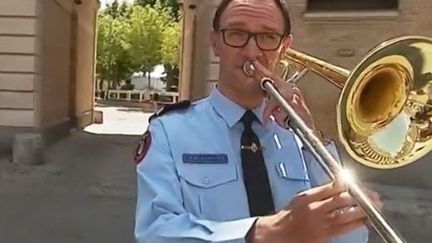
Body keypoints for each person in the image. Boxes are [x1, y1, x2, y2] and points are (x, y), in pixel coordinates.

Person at [134, 0, 382, 242]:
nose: (252, 52)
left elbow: (351, 237)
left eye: (267, 37)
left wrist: (311, 134)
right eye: (236, 33)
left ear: (284, 47)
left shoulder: (303, 135)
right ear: (214, 43)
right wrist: (261, 233)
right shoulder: (169, 130)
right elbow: (154, 231)